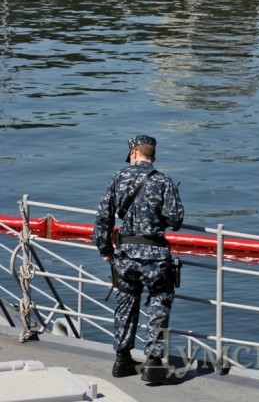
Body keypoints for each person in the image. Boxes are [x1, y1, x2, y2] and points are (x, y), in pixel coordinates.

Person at [93, 135, 184, 383]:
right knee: (159, 303)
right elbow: (176, 220)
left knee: (126, 303)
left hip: (125, 255)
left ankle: (122, 359)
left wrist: (104, 249)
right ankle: (153, 363)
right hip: (155, 256)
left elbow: (103, 218)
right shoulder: (163, 181)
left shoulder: (118, 178)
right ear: (152, 154)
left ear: (133, 153)